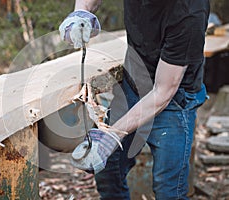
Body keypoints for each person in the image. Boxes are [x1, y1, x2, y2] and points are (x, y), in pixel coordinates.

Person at [59, 0, 209, 199]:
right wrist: (80, 12)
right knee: (108, 171)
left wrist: (110, 137)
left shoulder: (190, 13)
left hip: (174, 100)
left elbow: (163, 91)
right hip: (134, 82)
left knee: (169, 190)